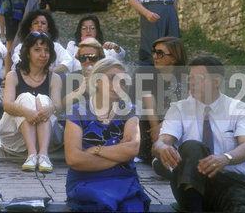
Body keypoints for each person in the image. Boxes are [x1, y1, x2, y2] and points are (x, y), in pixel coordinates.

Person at [153, 56, 245, 212]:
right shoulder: (179, 109)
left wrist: (225, 158)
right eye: (190, 78)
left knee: (243, 208)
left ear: (216, 82)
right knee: (192, 146)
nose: (191, 83)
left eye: (198, 79)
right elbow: (161, 142)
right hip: (189, 183)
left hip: (229, 182)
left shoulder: (239, 108)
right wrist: (162, 148)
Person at [64, 58, 151, 212]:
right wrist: (118, 154)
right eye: (112, 79)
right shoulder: (77, 111)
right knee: (101, 204)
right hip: (85, 182)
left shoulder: (130, 110)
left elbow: (131, 150)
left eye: (122, 82)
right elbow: (73, 158)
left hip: (124, 181)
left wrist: (95, 150)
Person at [0, 32, 63, 172]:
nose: (43, 54)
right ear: (27, 53)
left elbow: (58, 105)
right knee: (26, 97)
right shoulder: (13, 75)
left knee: (43, 99)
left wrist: (50, 108)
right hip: (16, 139)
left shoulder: (54, 78)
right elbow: (7, 105)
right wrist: (26, 111)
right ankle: (32, 154)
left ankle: (43, 155)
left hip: (45, 139)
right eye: (37, 50)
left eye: (46, 50)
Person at [130, 37, 188, 170]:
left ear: (174, 58)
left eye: (160, 53)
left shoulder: (186, 76)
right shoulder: (146, 72)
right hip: (149, 126)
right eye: (154, 52)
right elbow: (150, 107)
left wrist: (163, 126)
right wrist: (156, 132)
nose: (155, 56)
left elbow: (187, 106)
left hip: (175, 124)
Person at [12, 10, 72, 75]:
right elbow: (17, 62)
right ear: (30, 28)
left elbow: (68, 61)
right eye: (36, 23)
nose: (39, 25)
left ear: (48, 28)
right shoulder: (21, 47)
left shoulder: (56, 46)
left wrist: (52, 70)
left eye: (43, 23)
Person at [61, 37, 105, 111]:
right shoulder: (71, 77)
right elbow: (63, 104)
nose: (87, 61)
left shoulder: (108, 76)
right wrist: (80, 90)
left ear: (100, 58)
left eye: (92, 57)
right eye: (83, 58)